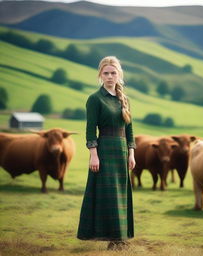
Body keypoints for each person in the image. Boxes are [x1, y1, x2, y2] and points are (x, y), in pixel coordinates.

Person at [77, 56, 136, 250]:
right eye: (106, 73)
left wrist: (131, 153)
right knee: (107, 195)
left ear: (119, 74)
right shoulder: (95, 99)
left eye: (113, 73)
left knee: (120, 195)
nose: (110, 77)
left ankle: (119, 239)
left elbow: (129, 129)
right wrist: (94, 154)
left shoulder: (124, 99)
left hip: (121, 152)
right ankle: (112, 239)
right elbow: (90, 129)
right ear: (100, 75)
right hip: (104, 151)